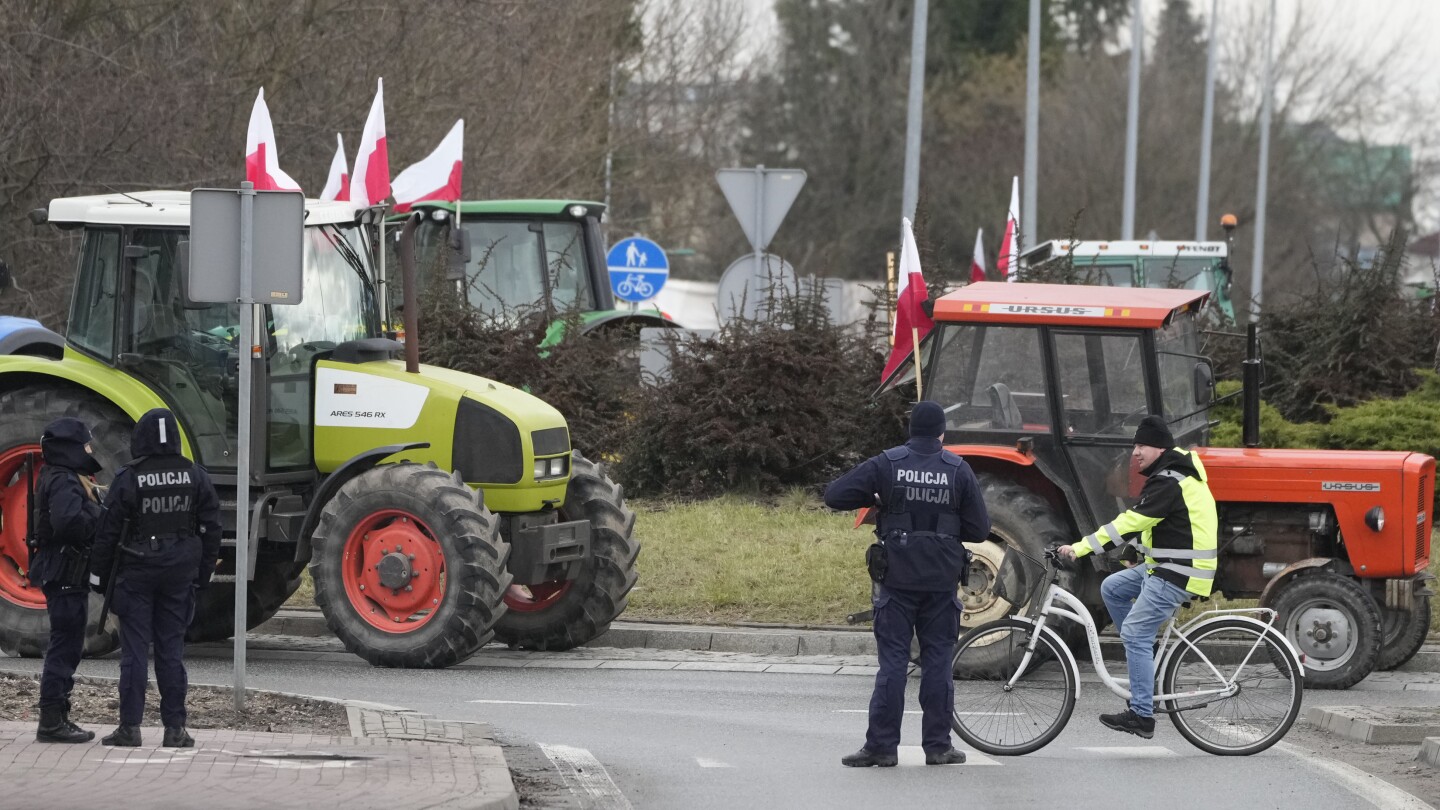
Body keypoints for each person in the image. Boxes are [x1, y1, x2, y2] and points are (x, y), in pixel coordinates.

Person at [824, 401, 990, 767]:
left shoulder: (888, 463)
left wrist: (879, 498)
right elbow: (979, 529)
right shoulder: (958, 469)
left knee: (894, 664)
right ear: (942, 433)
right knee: (937, 663)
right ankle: (938, 747)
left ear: (911, 431)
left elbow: (834, 495)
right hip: (941, 581)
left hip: (897, 578)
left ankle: (882, 748)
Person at [1058, 415, 1217, 739]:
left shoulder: (1170, 480)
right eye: (1135, 446)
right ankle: (1147, 656)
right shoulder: (1171, 476)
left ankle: (1142, 715)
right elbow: (1153, 525)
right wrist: (1132, 554)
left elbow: (1132, 521)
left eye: (1142, 445)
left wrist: (1083, 548)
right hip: (1168, 562)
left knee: (1133, 632)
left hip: (1179, 571)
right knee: (1113, 587)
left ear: (1159, 448)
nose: (1135, 452)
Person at [89, 408, 221, 748]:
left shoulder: (129, 477)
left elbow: (106, 534)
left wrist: (100, 582)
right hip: (180, 574)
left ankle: (129, 728)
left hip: (136, 573)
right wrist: (202, 574)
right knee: (170, 652)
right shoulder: (195, 475)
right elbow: (212, 530)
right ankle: (175, 729)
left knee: (134, 652)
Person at [30, 418, 106, 744]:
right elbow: (68, 522)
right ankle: (51, 720)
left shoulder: (62, 476)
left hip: (65, 573)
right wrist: (102, 516)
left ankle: (58, 716)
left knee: (68, 646)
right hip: (63, 572)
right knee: (64, 647)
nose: (90, 451)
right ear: (71, 449)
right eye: (85, 445)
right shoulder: (63, 480)